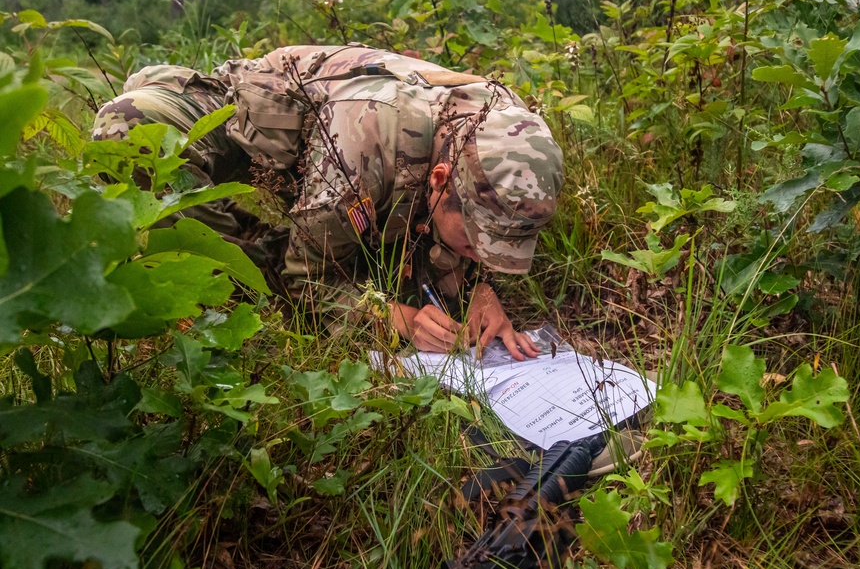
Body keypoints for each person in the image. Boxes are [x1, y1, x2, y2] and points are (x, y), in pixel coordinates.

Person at [92, 44, 564, 360]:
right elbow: (310, 282)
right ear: (439, 180)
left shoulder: (505, 127)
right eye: (478, 239)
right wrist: (392, 316)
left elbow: (471, 213)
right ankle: (241, 249)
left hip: (348, 152)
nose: (485, 250)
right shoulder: (362, 152)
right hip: (238, 125)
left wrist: (482, 288)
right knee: (124, 130)